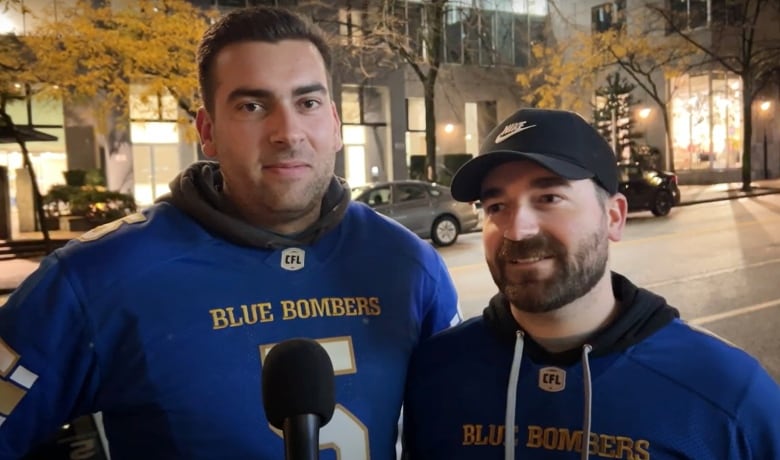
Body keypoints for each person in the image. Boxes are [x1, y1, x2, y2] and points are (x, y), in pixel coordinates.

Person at [0, 6, 461, 459]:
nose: (287, 131)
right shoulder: (94, 278)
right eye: (252, 105)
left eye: (308, 102)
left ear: (336, 125)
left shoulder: (407, 263)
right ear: (208, 130)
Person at [402, 108, 780, 460]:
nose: (517, 229)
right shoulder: (437, 373)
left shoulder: (729, 393)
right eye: (496, 207)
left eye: (549, 197)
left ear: (613, 217)